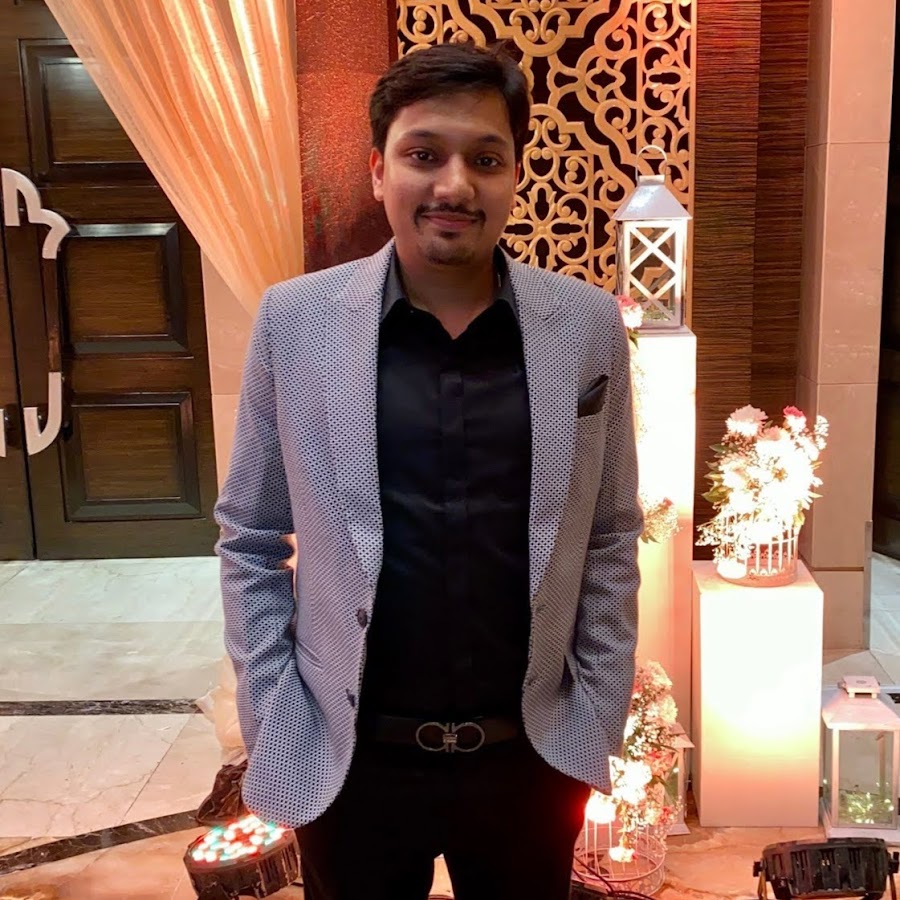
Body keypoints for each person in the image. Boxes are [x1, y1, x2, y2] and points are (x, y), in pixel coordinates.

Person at [215, 40, 642, 900]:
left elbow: (609, 536)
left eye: (485, 159)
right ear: (379, 170)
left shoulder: (586, 326)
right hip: (352, 766)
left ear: (514, 174)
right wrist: (275, 714)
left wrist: (594, 715)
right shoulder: (295, 323)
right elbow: (251, 536)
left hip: (527, 765)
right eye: (423, 155)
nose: (454, 185)